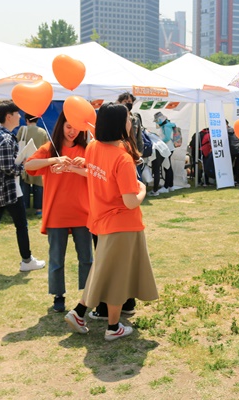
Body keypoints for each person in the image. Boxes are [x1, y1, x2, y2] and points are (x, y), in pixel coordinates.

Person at [65, 102, 158, 340]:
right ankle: (113, 327)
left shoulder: (94, 147)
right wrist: (143, 189)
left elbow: (96, 174)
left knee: (103, 271)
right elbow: (130, 201)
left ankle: (79, 312)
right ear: (120, 124)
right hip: (122, 224)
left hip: (102, 220)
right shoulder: (122, 158)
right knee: (116, 277)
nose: (131, 122)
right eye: (128, 118)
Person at [24, 112, 92, 313]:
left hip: (83, 212)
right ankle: (58, 296)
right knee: (56, 259)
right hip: (56, 213)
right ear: (61, 125)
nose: (72, 131)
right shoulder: (48, 149)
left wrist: (80, 165)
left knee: (87, 258)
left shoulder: (87, 150)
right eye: (68, 126)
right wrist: (53, 161)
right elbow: (28, 165)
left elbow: (97, 174)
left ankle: (88, 295)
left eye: (76, 127)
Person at [0, 101, 45, 277]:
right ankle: (26, 261)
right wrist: (25, 164)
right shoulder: (5, 139)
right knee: (21, 225)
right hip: (8, 190)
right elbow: (9, 169)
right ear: (8, 116)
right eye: (17, 113)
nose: (20, 116)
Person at [17, 114, 49, 215]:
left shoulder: (23, 129)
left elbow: (17, 143)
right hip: (38, 161)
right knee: (39, 185)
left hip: (25, 160)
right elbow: (47, 146)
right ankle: (39, 209)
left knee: (24, 183)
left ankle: (24, 207)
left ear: (26, 120)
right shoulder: (42, 132)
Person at [117, 92, 144, 178]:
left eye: (129, 101)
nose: (128, 103)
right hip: (120, 153)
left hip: (133, 154)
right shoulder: (115, 118)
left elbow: (139, 138)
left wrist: (139, 154)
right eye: (125, 101)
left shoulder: (136, 119)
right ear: (120, 102)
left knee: (137, 180)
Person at [154, 111, 176, 192]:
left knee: (167, 167)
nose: (157, 122)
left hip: (168, 148)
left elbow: (166, 138)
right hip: (167, 148)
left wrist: (158, 141)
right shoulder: (166, 125)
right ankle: (170, 185)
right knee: (168, 167)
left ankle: (166, 187)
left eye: (157, 120)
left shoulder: (166, 126)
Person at [226, 120, 239, 186]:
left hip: (232, 150)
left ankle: (231, 180)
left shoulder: (225, 132)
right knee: (238, 166)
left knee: (230, 166)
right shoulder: (234, 130)